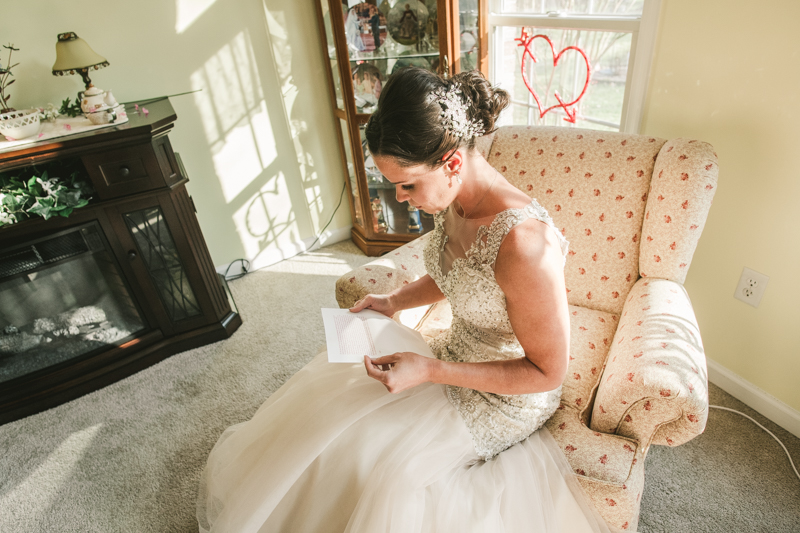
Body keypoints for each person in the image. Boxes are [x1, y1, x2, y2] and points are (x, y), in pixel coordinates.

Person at [197, 67, 611, 533]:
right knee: (331, 414)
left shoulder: (526, 246)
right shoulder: (457, 201)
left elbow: (547, 373)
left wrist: (430, 369)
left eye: (408, 184)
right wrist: (393, 301)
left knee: (380, 468)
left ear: (453, 163)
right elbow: (457, 272)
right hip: (453, 355)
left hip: (504, 399)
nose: (400, 197)